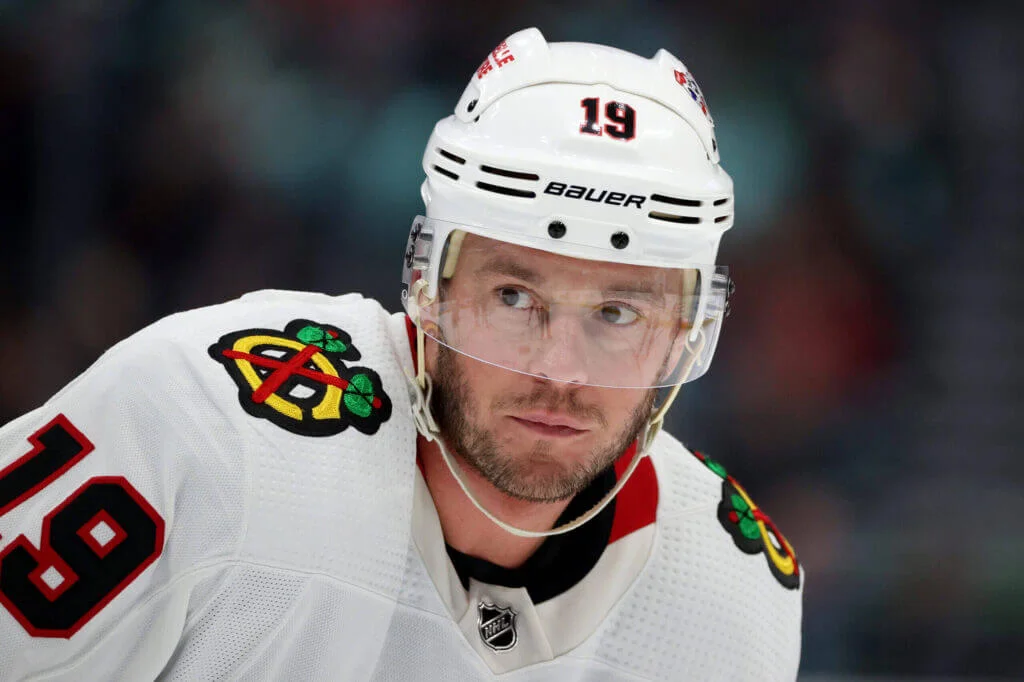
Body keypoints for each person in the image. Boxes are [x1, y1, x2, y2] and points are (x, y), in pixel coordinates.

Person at [0, 27, 802, 681]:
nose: (560, 368)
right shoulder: (200, 426)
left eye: (618, 314)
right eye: (513, 297)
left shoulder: (729, 594)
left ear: (682, 334)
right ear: (430, 285)